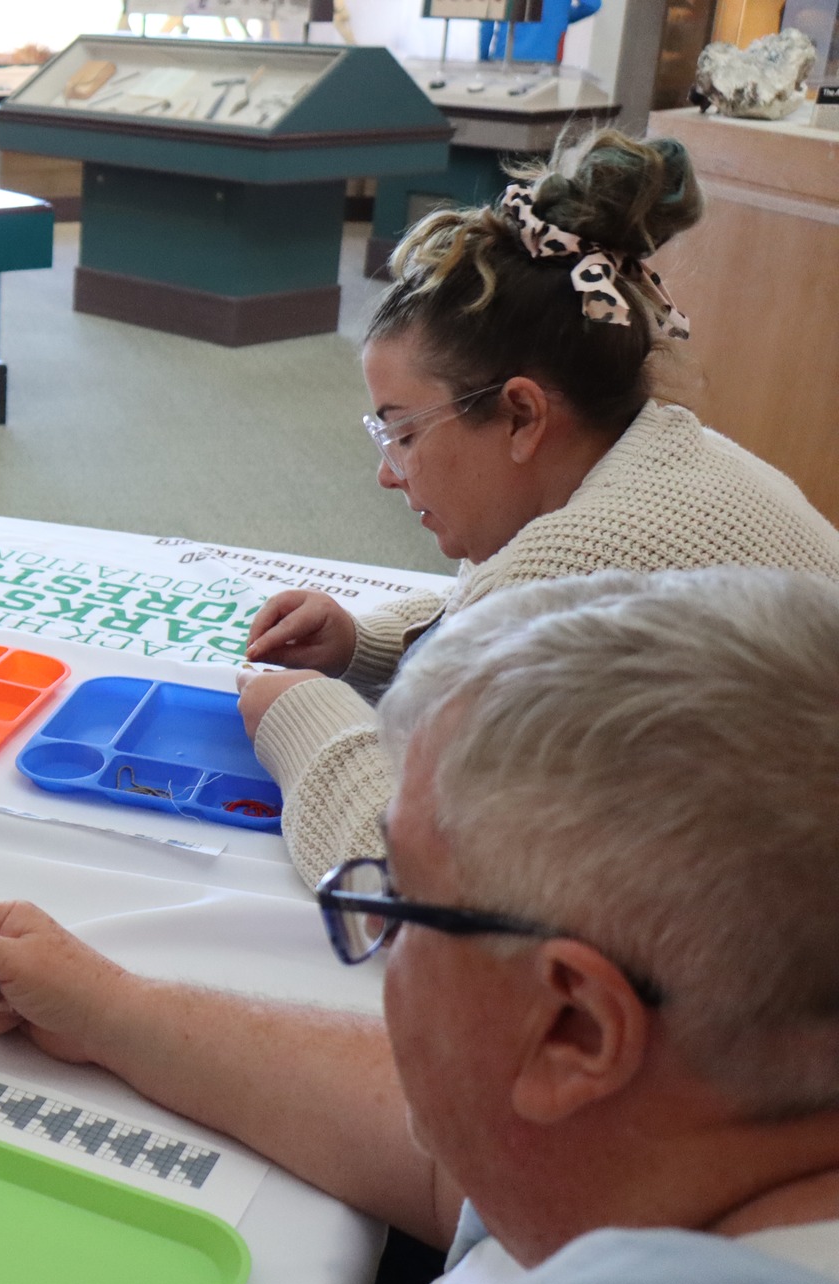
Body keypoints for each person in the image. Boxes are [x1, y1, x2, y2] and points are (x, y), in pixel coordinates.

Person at [0, 568, 839, 1284]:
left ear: (576, 1026)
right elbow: (469, 1158)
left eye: (398, 900)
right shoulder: (690, 1137)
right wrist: (112, 1008)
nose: (375, 936)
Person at [237, 129, 839, 888]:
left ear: (522, 415)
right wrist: (363, 643)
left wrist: (303, 720)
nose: (388, 476)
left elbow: (405, 883)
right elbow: (505, 618)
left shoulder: (582, 551)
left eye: (404, 432)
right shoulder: (659, 455)